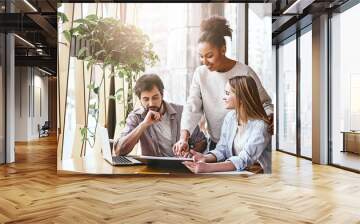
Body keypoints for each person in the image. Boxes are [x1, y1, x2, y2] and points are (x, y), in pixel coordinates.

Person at [173, 16, 274, 157]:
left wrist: (268, 119)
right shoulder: (200, 73)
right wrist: (183, 138)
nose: (204, 62)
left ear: (223, 49)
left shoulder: (244, 72)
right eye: (201, 56)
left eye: (209, 56)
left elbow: (265, 104)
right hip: (217, 144)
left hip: (245, 143)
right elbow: (192, 107)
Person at [183, 76, 272, 173]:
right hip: (240, 175)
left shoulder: (261, 125)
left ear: (241, 97)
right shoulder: (230, 118)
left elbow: (244, 159)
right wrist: (204, 157)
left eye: (227, 93)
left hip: (260, 177)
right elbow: (222, 149)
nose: (224, 97)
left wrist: (207, 168)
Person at [114, 74, 207, 157]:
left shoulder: (181, 112)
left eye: (155, 97)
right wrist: (143, 125)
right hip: (152, 172)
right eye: (146, 99)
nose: (151, 103)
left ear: (162, 95)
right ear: (140, 99)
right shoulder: (135, 117)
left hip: (181, 169)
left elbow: (202, 141)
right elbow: (119, 151)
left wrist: (190, 153)